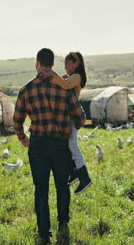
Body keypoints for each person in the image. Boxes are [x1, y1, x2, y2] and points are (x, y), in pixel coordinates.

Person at [13, 48, 86, 245]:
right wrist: (70, 127)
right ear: (53, 65)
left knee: (41, 191)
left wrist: (22, 137)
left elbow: (17, 121)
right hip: (60, 145)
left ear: (37, 64)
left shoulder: (25, 90)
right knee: (62, 186)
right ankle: (63, 223)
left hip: (37, 145)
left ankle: (44, 234)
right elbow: (80, 118)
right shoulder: (65, 88)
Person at [40, 52, 92, 195]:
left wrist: (52, 74)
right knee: (67, 145)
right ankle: (75, 172)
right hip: (67, 116)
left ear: (76, 63)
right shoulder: (72, 76)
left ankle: (84, 178)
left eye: (68, 64)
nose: (66, 67)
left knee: (73, 145)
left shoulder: (77, 77)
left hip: (70, 115)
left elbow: (66, 85)